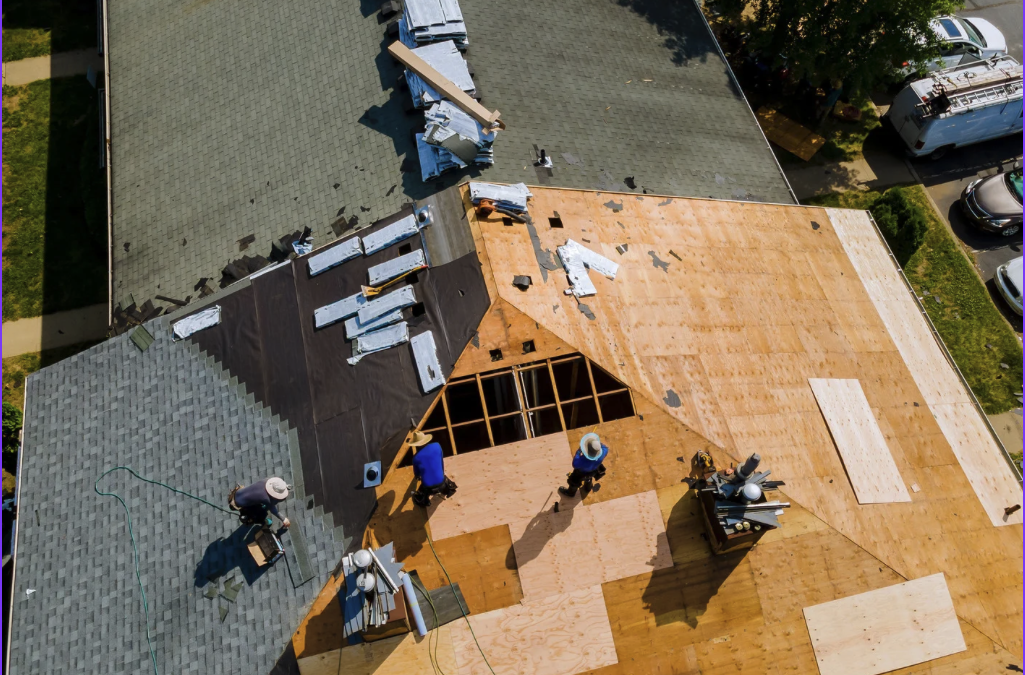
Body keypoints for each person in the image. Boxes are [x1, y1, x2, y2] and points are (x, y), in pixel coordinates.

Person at [409, 431, 457, 507]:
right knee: (443, 479)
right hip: (442, 483)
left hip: (429, 489)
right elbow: (441, 459)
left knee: (419, 496)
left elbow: (417, 475)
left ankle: (423, 501)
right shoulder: (437, 446)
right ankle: (448, 490)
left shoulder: (416, 458)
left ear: (416, 445)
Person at [558, 433, 608, 499]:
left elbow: (574, 464)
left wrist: (578, 451)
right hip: (593, 471)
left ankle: (570, 493)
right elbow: (604, 447)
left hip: (581, 473)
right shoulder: (604, 451)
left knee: (574, 482)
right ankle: (587, 488)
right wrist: (596, 445)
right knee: (589, 479)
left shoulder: (582, 460)